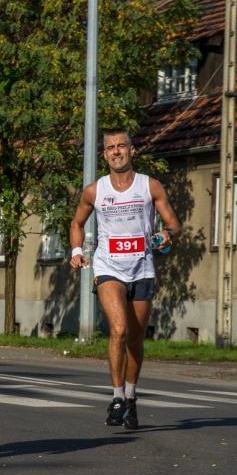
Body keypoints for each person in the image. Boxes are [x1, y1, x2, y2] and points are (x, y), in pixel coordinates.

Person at [69, 129, 181, 430]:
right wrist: (77, 250)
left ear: (131, 150)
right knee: (118, 329)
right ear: (104, 154)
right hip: (109, 268)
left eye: (121, 146)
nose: (116, 151)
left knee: (134, 338)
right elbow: (77, 223)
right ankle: (117, 396)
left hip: (142, 269)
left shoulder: (150, 186)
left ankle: (131, 397)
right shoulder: (95, 191)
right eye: (110, 148)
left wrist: (164, 236)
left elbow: (174, 225)